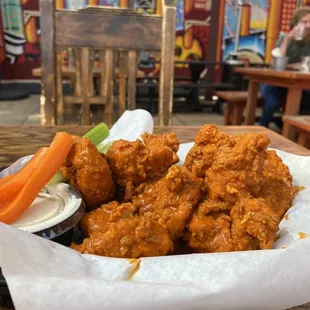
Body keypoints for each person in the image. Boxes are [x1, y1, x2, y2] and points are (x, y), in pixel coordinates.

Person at [259, 7, 310, 129]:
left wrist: (288, 65)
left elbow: (306, 65)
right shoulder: (284, 38)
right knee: (272, 102)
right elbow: (277, 64)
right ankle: (262, 128)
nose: (308, 25)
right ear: (296, 23)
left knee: (306, 101)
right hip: (275, 82)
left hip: (296, 84)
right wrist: (288, 39)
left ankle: (292, 131)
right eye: (304, 21)